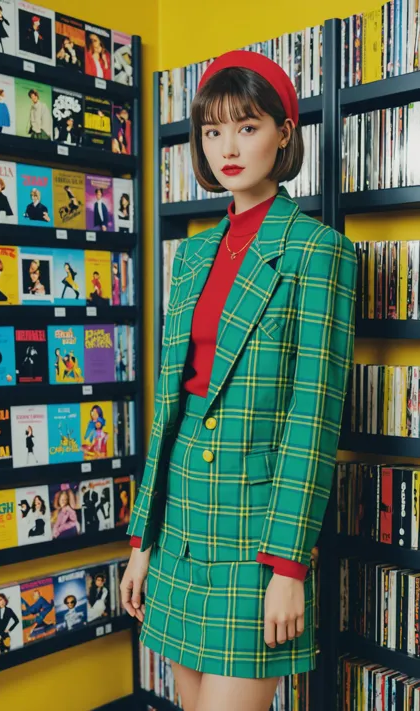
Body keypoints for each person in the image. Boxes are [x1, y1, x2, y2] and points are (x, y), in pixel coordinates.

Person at [120, 50, 358, 709]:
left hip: (255, 526)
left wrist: (287, 566)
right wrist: (143, 541)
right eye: (212, 130)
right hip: (181, 527)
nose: (227, 146)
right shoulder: (192, 254)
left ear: (284, 132)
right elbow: (170, 408)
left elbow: (313, 418)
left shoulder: (318, 251)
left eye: (247, 126)